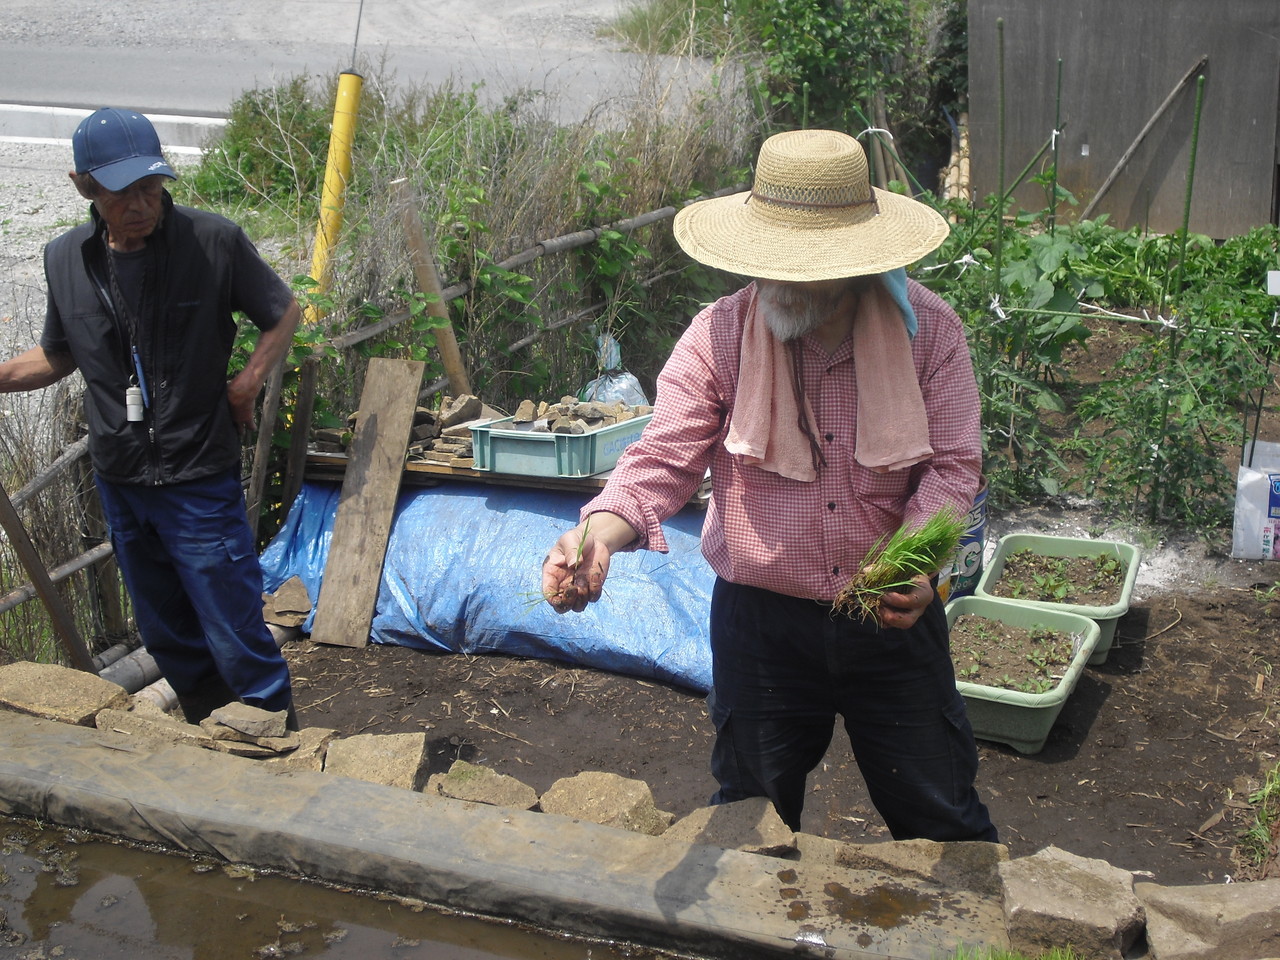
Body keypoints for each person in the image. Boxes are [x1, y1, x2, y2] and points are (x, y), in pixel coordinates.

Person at [541, 128, 997, 842]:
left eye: (800, 265)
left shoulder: (930, 334)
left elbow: (951, 468)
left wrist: (914, 562)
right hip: (762, 623)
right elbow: (662, 461)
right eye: (766, 261)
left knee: (939, 813)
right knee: (751, 813)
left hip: (888, 614)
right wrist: (597, 534)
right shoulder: (720, 336)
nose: (776, 281)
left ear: (853, 264)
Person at [0, 107, 300, 727]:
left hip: (198, 475)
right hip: (123, 481)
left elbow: (282, 311)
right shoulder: (66, 259)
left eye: (151, 186)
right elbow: (59, 354)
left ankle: (279, 749)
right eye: (122, 190)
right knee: (166, 630)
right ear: (85, 186)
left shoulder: (211, 240)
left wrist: (246, 384)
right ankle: (208, 737)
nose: (141, 203)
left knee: (235, 627)